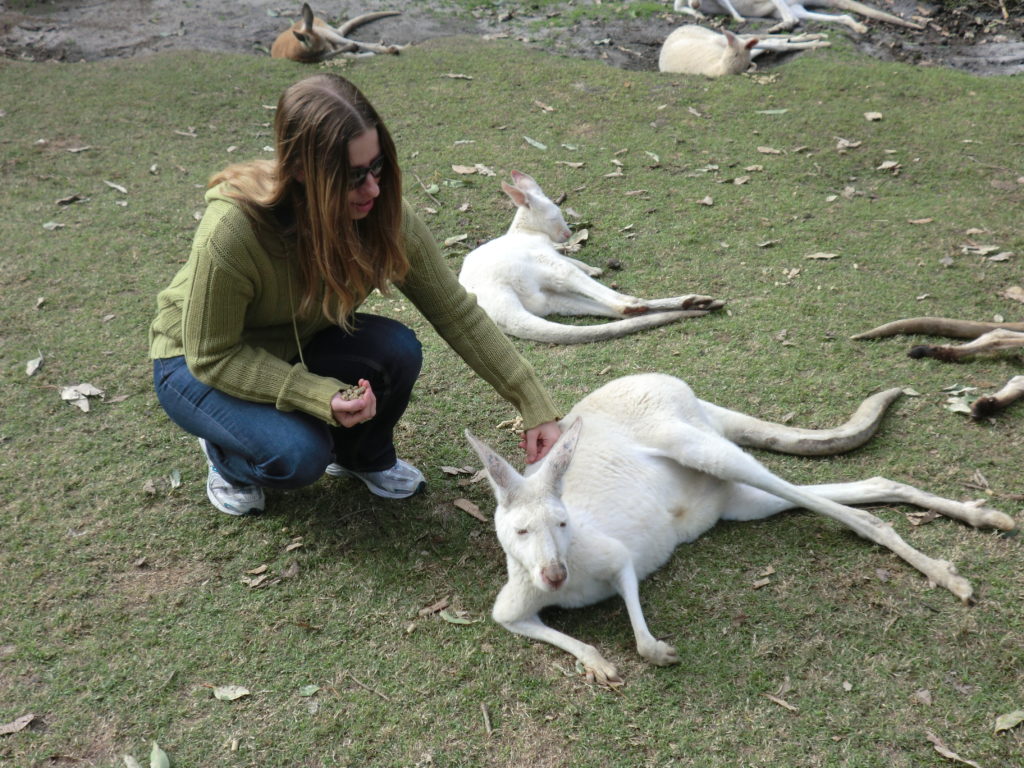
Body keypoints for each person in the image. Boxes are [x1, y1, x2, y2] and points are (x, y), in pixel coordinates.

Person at [149, 73, 562, 516]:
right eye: (352, 177)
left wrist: (532, 402)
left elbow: (456, 313)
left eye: (378, 166)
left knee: (396, 348)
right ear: (304, 173)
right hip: (195, 363)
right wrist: (314, 394)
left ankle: (360, 456)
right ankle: (228, 457)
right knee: (298, 456)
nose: (374, 189)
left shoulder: (383, 215)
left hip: (297, 344)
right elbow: (213, 354)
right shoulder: (233, 232)